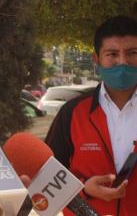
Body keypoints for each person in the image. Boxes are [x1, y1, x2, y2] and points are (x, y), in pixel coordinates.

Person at [45, 15, 137, 216]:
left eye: (132, 53)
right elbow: (44, 179)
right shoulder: (72, 113)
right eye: (112, 54)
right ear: (97, 60)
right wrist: (84, 188)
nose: (123, 62)